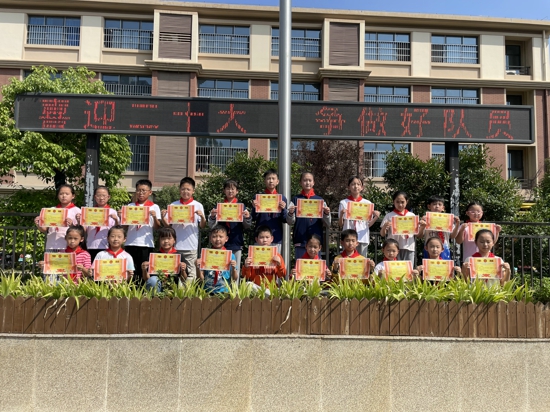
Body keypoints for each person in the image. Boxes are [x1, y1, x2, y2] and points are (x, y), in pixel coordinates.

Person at [161, 177, 206, 282]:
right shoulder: (173, 205)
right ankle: (177, 291)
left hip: (191, 246)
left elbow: (203, 226)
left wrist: (202, 217)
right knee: (175, 272)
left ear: (193, 191)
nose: (185, 191)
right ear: (179, 190)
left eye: (188, 189)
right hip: (175, 246)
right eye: (183, 189)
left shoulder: (198, 205)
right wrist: (163, 218)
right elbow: (168, 227)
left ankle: (187, 292)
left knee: (191, 273)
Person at [208, 179, 251, 276]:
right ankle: (221, 285)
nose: (230, 191)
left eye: (233, 189)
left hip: (236, 242)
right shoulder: (219, 206)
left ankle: (234, 286)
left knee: (235, 268)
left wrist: (247, 217)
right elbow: (211, 226)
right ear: (224, 191)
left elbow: (247, 226)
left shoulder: (241, 206)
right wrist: (213, 216)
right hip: (220, 243)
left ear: (237, 191)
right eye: (228, 189)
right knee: (221, 269)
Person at [123, 179, 161, 285]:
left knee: (144, 269)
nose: (141, 193)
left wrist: (154, 217)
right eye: (139, 190)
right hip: (130, 243)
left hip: (146, 243)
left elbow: (157, 227)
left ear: (150, 192)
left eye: (144, 190)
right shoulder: (130, 206)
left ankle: (144, 290)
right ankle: (132, 290)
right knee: (131, 269)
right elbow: (125, 227)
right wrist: (123, 217)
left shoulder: (154, 207)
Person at [286, 172, 331, 259]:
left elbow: (328, 223)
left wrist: (326, 214)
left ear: (313, 182)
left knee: (315, 266)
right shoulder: (295, 200)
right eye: (305, 180)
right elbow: (289, 221)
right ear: (300, 182)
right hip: (300, 240)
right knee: (300, 265)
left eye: (310, 180)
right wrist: (290, 213)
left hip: (316, 241)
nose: (307, 182)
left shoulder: (320, 201)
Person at [338, 176, 380, 258]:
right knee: (347, 260)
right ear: (348, 187)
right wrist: (342, 214)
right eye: (353, 184)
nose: (356, 186)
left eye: (358, 184)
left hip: (362, 237)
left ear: (362, 187)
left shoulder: (367, 204)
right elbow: (340, 224)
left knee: (362, 261)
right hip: (348, 238)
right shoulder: (343, 203)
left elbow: (368, 224)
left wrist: (376, 217)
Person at [76, 186, 118, 261]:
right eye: (98, 195)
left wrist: (116, 220)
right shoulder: (89, 212)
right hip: (91, 245)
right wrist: (79, 221)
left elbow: (117, 230)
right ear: (95, 197)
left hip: (106, 245)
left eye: (104, 195)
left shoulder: (112, 212)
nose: (101, 198)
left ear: (108, 197)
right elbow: (84, 230)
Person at [251, 169, 288, 254]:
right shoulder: (258, 197)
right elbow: (253, 217)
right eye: (268, 178)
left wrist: (283, 209)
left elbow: (285, 219)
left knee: (274, 261)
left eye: (273, 178)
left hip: (276, 236)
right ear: (265, 181)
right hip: (260, 237)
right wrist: (254, 208)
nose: (271, 181)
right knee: (259, 260)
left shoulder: (282, 198)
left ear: (277, 181)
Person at [34, 184, 81, 252]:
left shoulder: (77, 211)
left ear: (73, 196)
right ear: (58, 196)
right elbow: (44, 229)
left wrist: (71, 225)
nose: (64, 196)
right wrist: (38, 224)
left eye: (67, 194)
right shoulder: (51, 210)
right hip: (51, 244)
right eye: (61, 194)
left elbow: (81, 231)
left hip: (67, 246)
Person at [141, 227, 187, 292]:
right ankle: (155, 298)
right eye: (163, 238)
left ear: (174, 240)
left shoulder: (179, 256)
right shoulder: (154, 256)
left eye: (169, 238)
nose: (166, 241)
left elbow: (183, 279)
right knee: (153, 280)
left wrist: (183, 270)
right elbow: (147, 279)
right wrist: (144, 270)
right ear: (159, 240)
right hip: (156, 288)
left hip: (172, 288)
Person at [197, 224, 238, 294]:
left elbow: (234, 279)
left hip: (224, 292)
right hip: (207, 292)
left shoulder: (231, 256)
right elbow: (201, 279)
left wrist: (234, 268)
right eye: (214, 236)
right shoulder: (205, 255)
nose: (218, 239)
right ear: (210, 238)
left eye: (221, 236)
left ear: (226, 239)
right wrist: (197, 267)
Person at [417, 195, 460, 260]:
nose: (437, 206)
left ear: (443, 208)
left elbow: (452, 236)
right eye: (434, 204)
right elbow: (419, 236)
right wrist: (422, 226)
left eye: (439, 204)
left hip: (444, 248)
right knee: (429, 266)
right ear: (429, 206)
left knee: (444, 266)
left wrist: (457, 225)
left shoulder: (448, 220)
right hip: (429, 249)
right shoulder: (425, 219)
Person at [380, 191, 416, 265]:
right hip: (393, 248)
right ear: (393, 202)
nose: (400, 204)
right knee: (394, 268)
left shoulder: (412, 216)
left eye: (402, 202)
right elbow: (382, 234)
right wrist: (384, 227)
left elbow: (417, 234)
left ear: (407, 202)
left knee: (408, 268)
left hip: (409, 247)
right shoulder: (389, 216)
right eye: (397, 202)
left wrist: (421, 226)